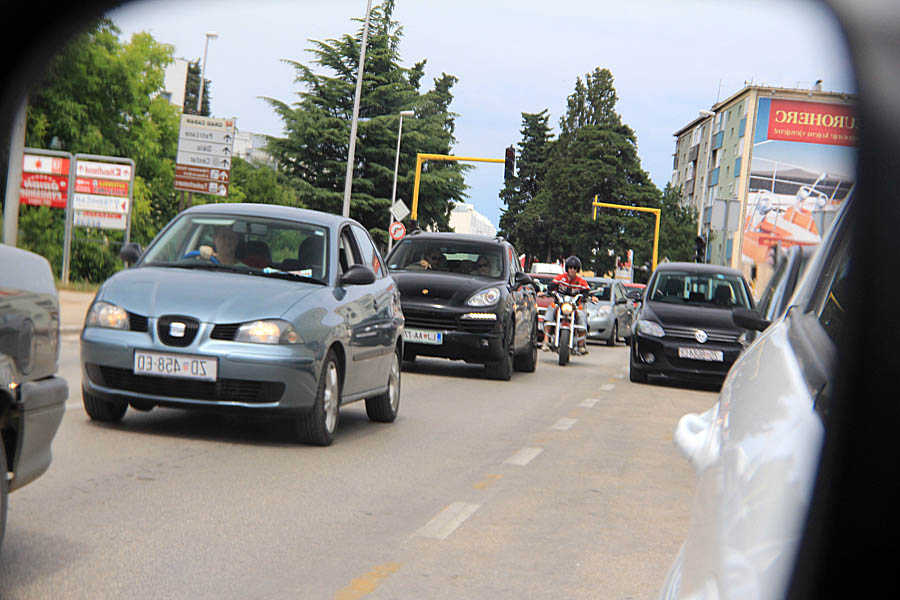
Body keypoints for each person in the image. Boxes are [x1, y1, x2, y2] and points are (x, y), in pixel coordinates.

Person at [542, 256, 593, 354]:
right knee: (551, 308)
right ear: (567, 268)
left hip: (574, 307)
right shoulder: (560, 278)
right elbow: (551, 286)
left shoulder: (581, 282)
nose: (572, 270)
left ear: (578, 270)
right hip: (559, 304)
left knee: (582, 314)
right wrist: (547, 292)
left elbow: (587, 291)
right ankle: (546, 341)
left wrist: (591, 297)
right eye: (570, 267)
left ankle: (581, 345)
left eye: (575, 268)